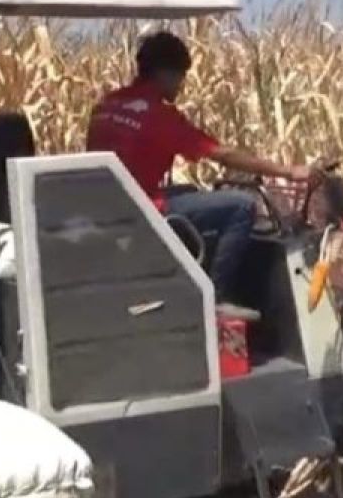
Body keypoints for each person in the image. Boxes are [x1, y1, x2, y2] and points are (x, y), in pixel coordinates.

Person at [87, 30, 320, 321]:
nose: (181, 85)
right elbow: (219, 153)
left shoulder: (106, 106)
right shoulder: (159, 116)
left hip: (109, 210)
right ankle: (217, 297)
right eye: (180, 77)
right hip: (142, 213)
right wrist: (288, 171)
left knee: (187, 191)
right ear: (164, 74)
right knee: (241, 206)